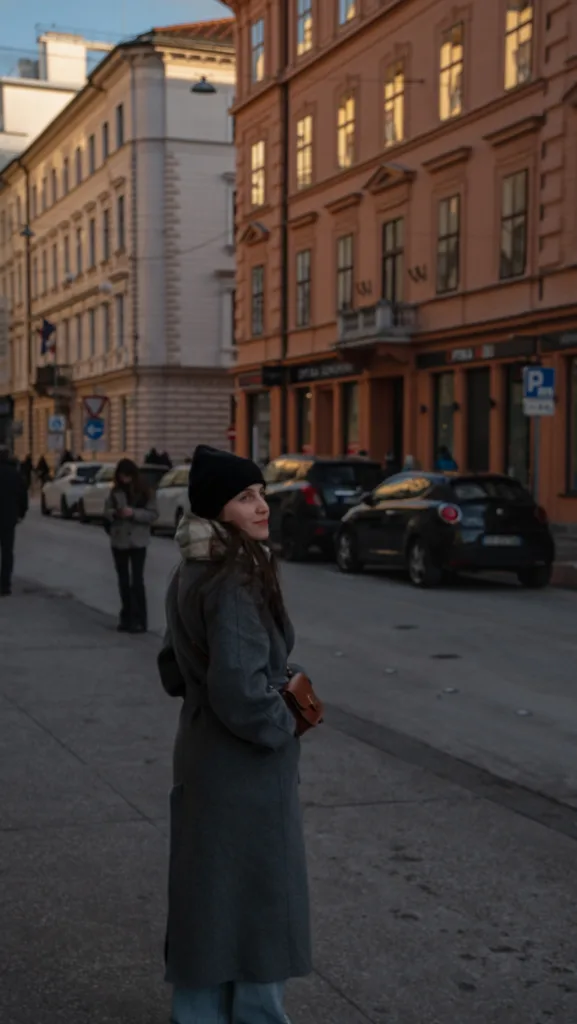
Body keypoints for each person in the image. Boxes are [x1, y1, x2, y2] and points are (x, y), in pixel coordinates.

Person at [159, 445, 312, 1024]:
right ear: (217, 508)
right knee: (258, 904)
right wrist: (291, 721)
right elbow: (243, 695)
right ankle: (256, 1016)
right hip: (244, 770)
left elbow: (171, 665)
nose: (261, 506)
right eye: (245, 497)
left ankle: (198, 1014)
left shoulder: (192, 566)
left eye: (262, 495)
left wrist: (212, 684)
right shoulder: (237, 576)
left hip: (201, 754)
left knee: (210, 900)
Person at [104, 458, 157, 633]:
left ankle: (140, 619)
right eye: (121, 476)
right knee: (123, 581)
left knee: (137, 581)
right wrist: (116, 513)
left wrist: (133, 513)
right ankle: (126, 617)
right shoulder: (115, 492)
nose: (124, 480)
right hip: (119, 540)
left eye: (127, 476)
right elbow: (107, 512)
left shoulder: (145, 492)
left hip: (138, 540)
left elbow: (153, 514)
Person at [0, 446, 28, 596]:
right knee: (7, 552)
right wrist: (21, 513)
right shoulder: (15, 474)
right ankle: (5, 586)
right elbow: (23, 494)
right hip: (9, 517)